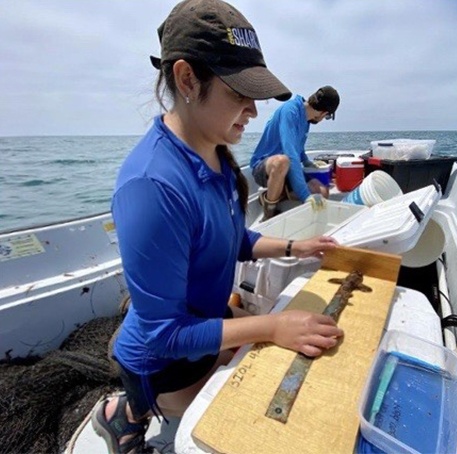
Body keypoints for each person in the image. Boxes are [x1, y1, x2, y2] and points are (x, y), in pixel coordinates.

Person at [91, 1, 341, 452]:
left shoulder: (218, 154)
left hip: (202, 321)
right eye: (239, 93)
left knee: (289, 343)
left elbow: (232, 240)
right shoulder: (152, 186)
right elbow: (163, 334)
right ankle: (126, 413)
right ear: (187, 80)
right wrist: (272, 326)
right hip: (161, 360)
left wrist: (295, 246)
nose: (253, 111)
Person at [250, 85, 340, 220]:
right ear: (323, 113)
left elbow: (298, 148)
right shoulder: (290, 111)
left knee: (322, 192)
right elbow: (290, 153)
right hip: (264, 168)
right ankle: (269, 212)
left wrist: (307, 162)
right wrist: (305, 195)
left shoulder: (306, 120)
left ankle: (272, 196)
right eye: (327, 117)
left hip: (285, 171)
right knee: (282, 161)